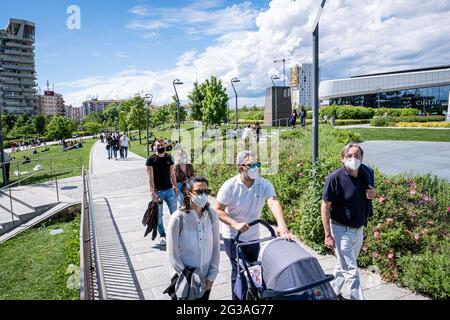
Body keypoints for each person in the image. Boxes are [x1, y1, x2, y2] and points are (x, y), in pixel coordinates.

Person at [215, 150, 294, 300]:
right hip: (233, 237)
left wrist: (281, 224)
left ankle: (251, 296)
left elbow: (273, 201)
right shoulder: (230, 186)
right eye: (251, 165)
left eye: (257, 164)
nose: (255, 168)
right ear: (240, 167)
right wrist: (235, 223)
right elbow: (218, 210)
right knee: (239, 271)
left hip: (253, 237)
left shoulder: (263, 183)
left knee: (253, 269)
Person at [321, 143, 376, 300]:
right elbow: (325, 206)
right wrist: (328, 234)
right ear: (342, 158)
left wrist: (374, 193)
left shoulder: (368, 172)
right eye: (349, 156)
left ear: (362, 158)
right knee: (351, 270)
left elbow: (370, 193)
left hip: (358, 228)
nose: (354, 159)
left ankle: (331, 293)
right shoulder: (334, 179)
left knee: (343, 266)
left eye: (357, 156)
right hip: (340, 229)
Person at [166, 176, 220, 300]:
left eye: (206, 192)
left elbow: (216, 248)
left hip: (205, 279)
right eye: (199, 192)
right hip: (184, 280)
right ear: (188, 193)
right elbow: (172, 256)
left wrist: (212, 276)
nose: (203, 195)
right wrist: (189, 278)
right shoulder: (178, 218)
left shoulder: (212, 215)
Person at [146, 139, 179, 246]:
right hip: (158, 192)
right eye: (158, 145)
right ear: (155, 147)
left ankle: (175, 234)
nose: (160, 146)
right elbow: (150, 177)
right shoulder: (151, 160)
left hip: (169, 190)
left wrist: (175, 186)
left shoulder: (169, 158)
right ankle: (162, 235)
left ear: (165, 145)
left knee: (175, 213)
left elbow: (172, 174)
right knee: (159, 215)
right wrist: (152, 192)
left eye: (162, 144)